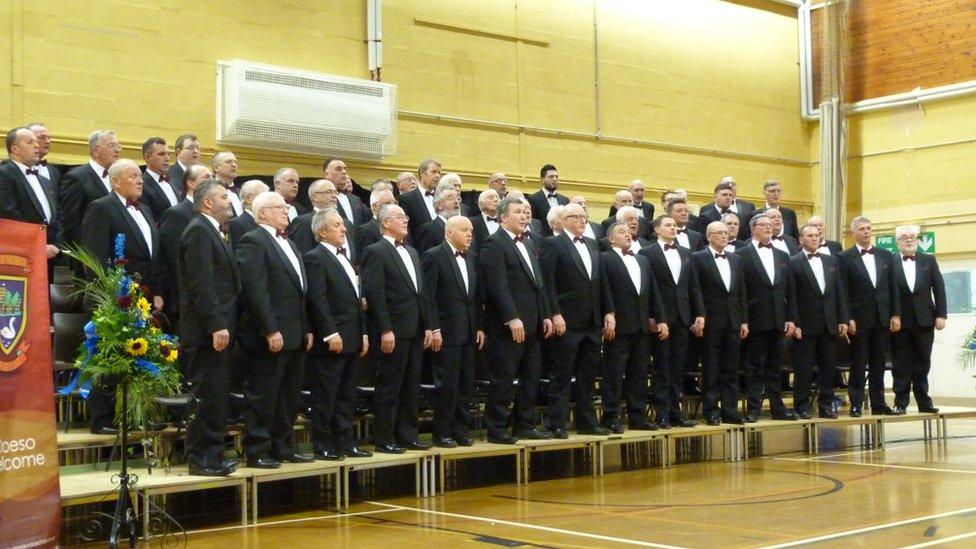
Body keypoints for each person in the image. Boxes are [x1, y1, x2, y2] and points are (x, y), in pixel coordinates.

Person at [81, 158, 164, 434]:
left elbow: (153, 256)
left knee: (139, 354)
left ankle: (135, 413)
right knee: (109, 355)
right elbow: (94, 257)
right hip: (113, 299)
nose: (140, 180)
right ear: (116, 181)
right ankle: (102, 418)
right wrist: (111, 296)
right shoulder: (101, 208)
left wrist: (158, 291)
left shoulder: (147, 210)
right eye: (133, 176)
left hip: (144, 298)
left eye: (140, 176)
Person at [237, 191, 314, 468]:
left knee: (288, 395)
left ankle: (283, 445)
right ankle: (257, 449)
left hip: (294, 333)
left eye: (285, 207)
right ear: (261, 213)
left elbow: (299, 292)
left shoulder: (290, 243)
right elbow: (255, 290)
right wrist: (270, 329)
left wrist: (306, 327)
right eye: (278, 208)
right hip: (270, 335)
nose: (286, 211)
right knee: (263, 394)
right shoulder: (253, 241)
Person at [361, 204, 435, 453]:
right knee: (390, 386)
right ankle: (384, 439)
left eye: (406, 216)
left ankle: (407, 435)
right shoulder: (376, 251)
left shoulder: (413, 251)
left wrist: (428, 326)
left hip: (414, 328)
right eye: (399, 217)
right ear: (385, 223)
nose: (405, 220)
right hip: (393, 330)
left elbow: (421, 293)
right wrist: (385, 329)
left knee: (411, 385)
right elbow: (375, 293)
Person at [480, 197, 554, 443]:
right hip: (508, 326)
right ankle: (497, 428)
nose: (525, 216)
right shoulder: (494, 243)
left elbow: (538, 285)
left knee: (531, 377)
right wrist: (511, 317)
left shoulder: (530, 242)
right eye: (518, 212)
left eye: (526, 212)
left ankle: (524, 424)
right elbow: (497, 286)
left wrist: (545, 315)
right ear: (503, 217)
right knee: (503, 377)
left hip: (533, 322)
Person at [179, 180, 239, 476]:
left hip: (218, 328)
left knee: (216, 396)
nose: (230, 201)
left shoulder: (213, 231)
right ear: (206, 203)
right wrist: (217, 324)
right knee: (205, 396)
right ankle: (201, 459)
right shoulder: (199, 231)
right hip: (206, 332)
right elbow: (202, 285)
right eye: (224, 197)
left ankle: (213, 456)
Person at [304, 209, 372, 460]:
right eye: (336, 225)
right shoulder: (315, 257)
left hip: (353, 336)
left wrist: (363, 333)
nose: (344, 229)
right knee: (327, 393)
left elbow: (356, 301)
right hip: (333, 338)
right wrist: (330, 333)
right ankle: (323, 444)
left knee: (347, 394)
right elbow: (318, 300)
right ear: (322, 231)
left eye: (343, 225)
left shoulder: (346, 256)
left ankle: (345, 442)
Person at [540, 204, 613, 437]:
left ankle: (587, 421)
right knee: (561, 374)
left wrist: (608, 311)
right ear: (563, 220)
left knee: (587, 375)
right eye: (577, 217)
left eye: (585, 217)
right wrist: (554, 313)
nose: (583, 220)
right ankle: (557, 422)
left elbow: (601, 282)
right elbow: (547, 283)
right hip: (567, 320)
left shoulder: (593, 243)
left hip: (592, 320)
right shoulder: (553, 243)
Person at [421, 216, 484, 447]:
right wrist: (434, 327)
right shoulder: (434, 256)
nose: (469, 234)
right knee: (447, 385)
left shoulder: (472, 258)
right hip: (445, 332)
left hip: (467, 331)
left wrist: (479, 327)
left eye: (471, 230)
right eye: (464, 230)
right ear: (449, 232)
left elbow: (475, 298)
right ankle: (442, 433)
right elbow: (428, 297)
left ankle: (460, 430)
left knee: (466, 384)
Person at [599, 222, 667, 431]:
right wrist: (608, 314)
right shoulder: (605, 259)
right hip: (618, 326)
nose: (627, 235)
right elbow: (604, 290)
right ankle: (610, 416)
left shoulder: (642, 260)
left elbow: (653, 292)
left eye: (629, 233)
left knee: (638, 374)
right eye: (621, 232)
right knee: (614, 374)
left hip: (641, 327)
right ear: (611, 239)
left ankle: (637, 417)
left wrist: (661, 318)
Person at [641, 215, 703, 429]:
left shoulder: (686, 253)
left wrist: (699, 314)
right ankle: (662, 414)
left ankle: (676, 413)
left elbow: (693, 286)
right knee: (661, 368)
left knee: (677, 369)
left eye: (674, 225)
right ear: (657, 229)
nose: (673, 228)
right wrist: (652, 316)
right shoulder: (647, 253)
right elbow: (646, 288)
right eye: (668, 225)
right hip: (661, 318)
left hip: (683, 317)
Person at [736, 214, 798, 421]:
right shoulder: (741, 254)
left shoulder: (782, 255)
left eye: (770, 225)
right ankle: (753, 410)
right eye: (764, 225)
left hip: (778, 318)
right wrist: (743, 319)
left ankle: (778, 409)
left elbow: (790, 290)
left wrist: (791, 318)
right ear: (753, 229)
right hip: (755, 318)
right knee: (754, 367)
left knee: (775, 367)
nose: (768, 228)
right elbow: (741, 291)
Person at [839, 216, 902, 416]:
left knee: (878, 364)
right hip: (859, 319)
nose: (866, 232)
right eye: (862, 229)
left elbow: (893, 287)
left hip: (882, 318)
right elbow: (843, 291)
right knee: (858, 363)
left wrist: (895, 314)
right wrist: (847, 317)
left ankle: (878, 403)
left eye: (868, 228)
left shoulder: (886, 255)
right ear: (853, 233)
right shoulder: (844, 257)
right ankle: (856, 403)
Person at [790, 223, 850, 419]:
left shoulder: (832, 261)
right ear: (801, 240)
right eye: (809, 236)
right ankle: (802, 405)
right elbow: (791, 296)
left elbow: (839, 292)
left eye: (816, 235)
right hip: (805, 324)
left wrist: (842, 318)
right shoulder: (793, 262)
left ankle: (826, 405)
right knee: (804, 368)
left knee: (828, 368)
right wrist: (795, 323)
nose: (814, 238)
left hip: (829, 322)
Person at [693, 221, 749, 425]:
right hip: (711, 321)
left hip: (733, 320)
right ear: (709, 236)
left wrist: (744, 320)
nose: (725, 236)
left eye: (726, 233)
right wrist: (700, 316)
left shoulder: (735, 258)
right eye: (720, 233)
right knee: (711, 368)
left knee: (730, 368)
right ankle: (711, 410)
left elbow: (741, 290)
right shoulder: (698, 258)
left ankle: (730, 409)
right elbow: (696, 291)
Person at [890, 225, 946, 414]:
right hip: (900, 321)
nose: (909, 240)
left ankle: (924, 401)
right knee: (901, 363)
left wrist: (941, 315)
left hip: (925, 319)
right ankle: (901, 402)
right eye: (904, 237)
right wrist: (893, 316)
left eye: (912, 236)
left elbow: (939, 288)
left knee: (923, 362)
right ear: (897, 242)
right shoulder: (890, 262)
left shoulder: (928, 260)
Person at [159, 164, 213, 332]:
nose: (212, 181)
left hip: (207, 297)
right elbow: (174, 259)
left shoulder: (211, 214)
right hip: (186, 301)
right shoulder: (177, 214)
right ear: (191, 183)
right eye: (207, 177)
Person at [0, 127, 61, 262]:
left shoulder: (44, 180)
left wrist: (55, 244)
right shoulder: (4, 173)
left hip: (48, 251)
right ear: (14, 149)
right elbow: (8, 213)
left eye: (36, 142)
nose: (36, 145)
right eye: (29, 142)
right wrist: (37, 244)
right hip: (19, 251)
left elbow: (57, 214)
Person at [59, 130, 120, 247]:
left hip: (117, 248)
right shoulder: (77, 177)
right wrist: (85, 252)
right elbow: (70, 220)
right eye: (111, 146)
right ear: (96, 151)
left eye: (118, 146)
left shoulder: (118, 176)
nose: (117, 150)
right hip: (90, 250)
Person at [288, 179, 356, 257]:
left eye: (335, 192)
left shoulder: (347, 223)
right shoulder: (304, 222)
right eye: (329, 192)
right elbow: (304, 254)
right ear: (315, 197)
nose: (334, 196)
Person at [399, 157, 442, 237]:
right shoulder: (407, 199)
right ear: (422, 173)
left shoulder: (442, 197)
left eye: (439, 172)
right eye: (433, 172)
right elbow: (406, 229)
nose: (437, 176)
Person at [140, 137, 180, 220]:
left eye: (168, 154)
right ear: (147, 157)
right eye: (161, 154)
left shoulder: (175, 183)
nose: (167, 159)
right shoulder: (141, 185)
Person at [415, 182, 460, 253]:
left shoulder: (462, 228)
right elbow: (427, 257)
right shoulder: (429, 229)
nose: (456, 201)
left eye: (458, 198)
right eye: (450, 198)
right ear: (439, 205)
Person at [527, 164, 569, 237]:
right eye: (551, 176)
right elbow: (532, 224)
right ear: (542, 180)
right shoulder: (533, 199)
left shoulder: (565, 200)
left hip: (563, 241)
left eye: (556, 177)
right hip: (543, 240)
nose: (555, 179)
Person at [355, 188, 397, 259]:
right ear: (375, 207)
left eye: (394, 202)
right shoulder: (366, 230)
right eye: (388, 203)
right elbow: (369, 260)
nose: (393, 206)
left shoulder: (399, 226)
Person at [228, 180, 268, 249]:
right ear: (248, 199)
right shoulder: (236, 224)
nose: (268, 201)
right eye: (263, 196)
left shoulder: (269, 222)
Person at [210, 151, 244, 217]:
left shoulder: (240, 192)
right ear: (216, 168)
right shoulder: (209, 191)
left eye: (235, 162)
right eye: (228, 162)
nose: (234, 165)